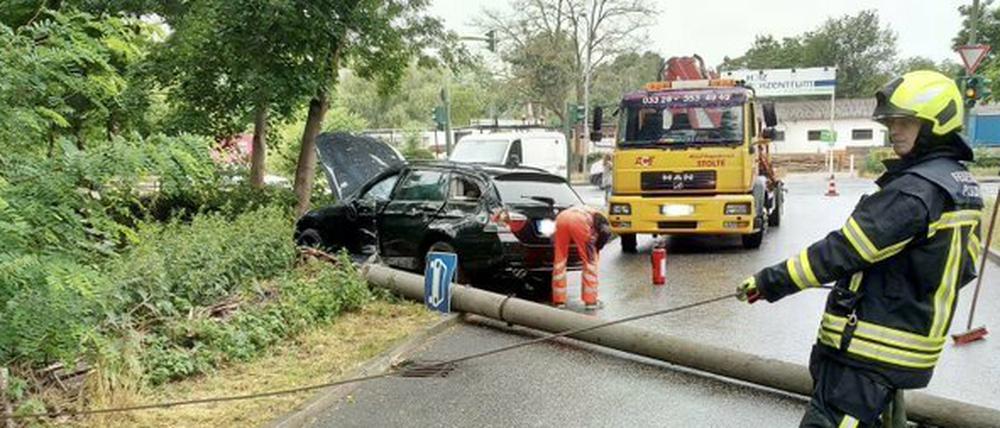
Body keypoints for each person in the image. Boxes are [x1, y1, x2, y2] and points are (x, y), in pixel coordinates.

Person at [736, 70, 984, 427]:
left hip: (870, 354)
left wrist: (769, 281)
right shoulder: (961, 186)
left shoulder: (914, 191)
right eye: (891, 122)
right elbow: (964, 267)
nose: (893, 130)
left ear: (935, 125)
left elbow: (843, 251)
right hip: (907, 345)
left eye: (905, 122)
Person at [551, 204, 613, 310]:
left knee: (559, 260)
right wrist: (596, 249)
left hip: (561, 218)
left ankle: (559, 301)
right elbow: (605, 234)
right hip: (579, 221)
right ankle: (591, 301)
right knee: (590, 263)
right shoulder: (600, 218)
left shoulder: (588, 210)